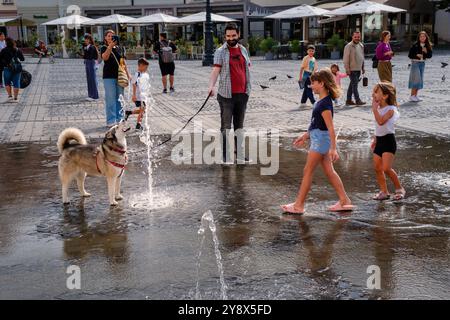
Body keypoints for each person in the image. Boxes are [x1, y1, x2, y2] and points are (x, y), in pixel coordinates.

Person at [281, 68, 354, 214]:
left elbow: (330, 128)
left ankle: (299, 205)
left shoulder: (325, 104)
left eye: (313, 83)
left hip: (321, 140)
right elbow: (315, 123)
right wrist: (305, 135)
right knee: (329, 171)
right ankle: (344, 201)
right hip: (318, 138)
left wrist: (333, 148)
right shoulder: (320, 101)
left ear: (321, 83)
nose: (311, 86)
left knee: (308, 170)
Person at [208, 23, 251, 164]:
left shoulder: (243, 50)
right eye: (228, 36)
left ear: (238, 35)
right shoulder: (221, 51)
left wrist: (248, 89)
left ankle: (239, 155)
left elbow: (247, 69)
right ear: (225, 36)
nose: (231, 38)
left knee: (239, 127)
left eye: (233, 35)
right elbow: (215, 70)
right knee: (226, 126)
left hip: (243, 94)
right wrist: (211, 86)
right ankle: (226, 156)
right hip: (226, 95)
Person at [370, 82, 405, 201]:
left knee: (386, 168)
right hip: (379, 141)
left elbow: (381, 122)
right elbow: (377, 127)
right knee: (377, 168)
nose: (373, 94)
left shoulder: (391, 110)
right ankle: (384, 191)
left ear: (385, 96)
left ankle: (400, 188)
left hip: (389, 141)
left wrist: (374, 110)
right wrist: (375, 139)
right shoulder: (379, 108)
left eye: (376, 92)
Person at [100, 30, 131, 127]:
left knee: (120, 98)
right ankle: (111, 120)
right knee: (110, 98)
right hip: (109, 76)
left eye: (112, 36)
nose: (110, 38)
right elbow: (105, 57)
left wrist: (128, 74)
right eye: (108, 36)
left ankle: (120, 119)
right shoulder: (104, 47)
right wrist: (110, 46)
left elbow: (123, 61)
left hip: (120, 76)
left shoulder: (119, 48)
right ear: (105, 38)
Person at [125, 57, 150, 130]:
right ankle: (138, 125)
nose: (146, 69)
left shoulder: (143, 74)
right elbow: (134, 84)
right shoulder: (137, 74)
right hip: (139, 97)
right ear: (140, 66)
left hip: (143, 96)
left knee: (143, 110)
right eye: (145, 67)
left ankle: (129, 113)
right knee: (142, 109)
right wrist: (134, 95)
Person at [408, 31, 433, 102]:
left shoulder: (427, 45)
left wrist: (426, 52)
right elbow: (409, 55)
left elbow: (430, 56)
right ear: (419, 37)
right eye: (421, 36)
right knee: (416, 79)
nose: (422, 38)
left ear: (426, 37)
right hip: (415, 63)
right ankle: (412, 96)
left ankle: (415, 95)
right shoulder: (415, 45)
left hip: (422, 63)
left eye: (424, 36)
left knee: (420, 80)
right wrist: (416, 55)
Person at [343, 31, 366, 106]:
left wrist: (363, 67)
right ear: (352, 37)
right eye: (355, 37)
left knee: (352, 85)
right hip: (351, 69)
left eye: (358, 37)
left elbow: (362, 57)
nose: (357, 38)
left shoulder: (361, 45)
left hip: (358, 68)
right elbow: (345, 59)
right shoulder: (348, 46)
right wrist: (347, 69)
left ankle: (348, 100)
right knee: (355, 85)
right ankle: (357, 100)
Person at [0, 37, 25, 103]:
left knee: (7, 82)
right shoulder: (17, 50)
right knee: (16, 82)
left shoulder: (3, 50)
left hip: (7, 68)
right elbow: (22, 59)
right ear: (13, 43)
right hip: (17, 68)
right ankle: (16, 97)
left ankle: (10, 95)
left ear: (6, 43)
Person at [83, 34, 99, 101]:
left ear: (90, 40)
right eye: (85, 39)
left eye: (87, 39)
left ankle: (95, 96)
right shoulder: (86, 47)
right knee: (89, 79)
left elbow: (91, 56)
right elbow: (85, 56)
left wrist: (85, 53)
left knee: (93, 79)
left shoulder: (92, 47)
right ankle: (90, 95)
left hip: (91, 62)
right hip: (87, 62)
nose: (85, 40)